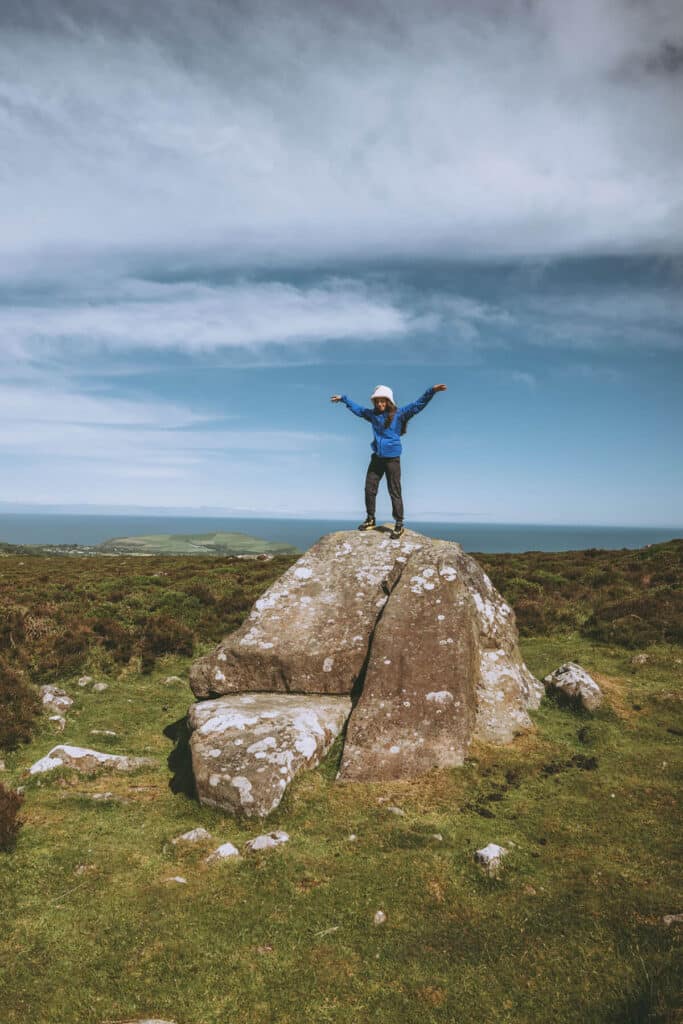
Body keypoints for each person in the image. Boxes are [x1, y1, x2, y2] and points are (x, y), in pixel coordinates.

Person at [330, 383, 447, 539]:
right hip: (377, 458)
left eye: (382, 401)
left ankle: (399, 523)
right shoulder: (373, 415)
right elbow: (358, 410)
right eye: (377, 401)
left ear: (389, 401)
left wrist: (431, 391)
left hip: (392, 459)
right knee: (369, 489)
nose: (379, 404)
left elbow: (418, 405)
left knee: (394, 491)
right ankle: (370, 518)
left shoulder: (400, 413)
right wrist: (344, 399)